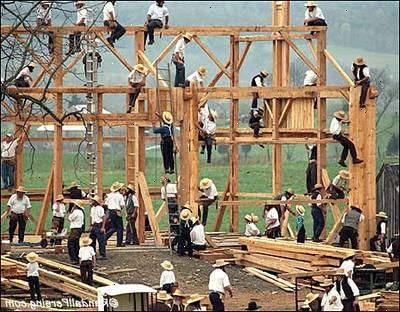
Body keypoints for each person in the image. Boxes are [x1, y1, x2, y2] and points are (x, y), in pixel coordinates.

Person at [105, 182, 125, 247]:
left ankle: (105, 238)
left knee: (113, 227)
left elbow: (106, 203)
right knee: (120, 228)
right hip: (117, 211)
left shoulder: (109, 195)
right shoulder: (120, 196)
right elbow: (122, 205)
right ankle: (119, 243)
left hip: (111, 211)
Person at [89, 195, 107, 259]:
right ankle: (93, 253)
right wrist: (91, 225)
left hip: (98, 224)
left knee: (101, 241)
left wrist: (103, 227)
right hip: (94, 225)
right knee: (92, 240)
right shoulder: (92, 208)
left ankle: (102, 254)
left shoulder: (100, 208)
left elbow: (104, 217)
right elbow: (91, 217)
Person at [68, 200, 85, 264]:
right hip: (79, 228)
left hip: (75, 228)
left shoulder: (75, 212)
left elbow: (70, 218)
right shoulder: (81, 212)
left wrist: (71, 211)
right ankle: (77, 257)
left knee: (71, 244)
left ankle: (73, 258)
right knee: (76, 243)